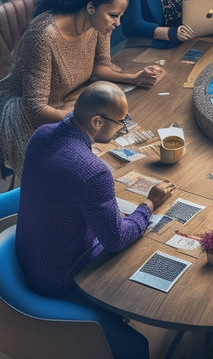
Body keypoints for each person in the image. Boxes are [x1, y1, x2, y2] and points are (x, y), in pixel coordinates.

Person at [15, 81, 173, 358]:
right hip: (62, 277)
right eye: (120, 123)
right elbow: (116, 240)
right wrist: (149, 204)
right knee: (146, 244)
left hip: (29, 256)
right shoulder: (94, 172)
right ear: (97, 121)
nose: (122, 129)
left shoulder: (41, 134)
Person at [0, 0, 164, 179]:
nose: (118, 23)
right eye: (113, 16)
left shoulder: (99, 25)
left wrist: (135, 78)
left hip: (71, 99)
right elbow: (36, 108)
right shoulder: (43, 37)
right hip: (29, 116)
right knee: (80, 173)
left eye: (120, 16)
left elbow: (98, 67)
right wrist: (85, 120)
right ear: (90, 7)